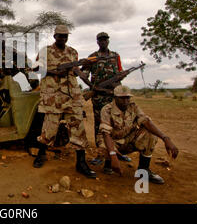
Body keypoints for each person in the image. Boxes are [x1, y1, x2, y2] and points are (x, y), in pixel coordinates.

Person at [32, 24, 96, 178]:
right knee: (49, 128)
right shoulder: (45, 51)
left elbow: (76, 72)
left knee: (78, 127)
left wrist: (84, 69)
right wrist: (54, 71)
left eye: (65, 36)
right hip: (53, 96)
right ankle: (41, 154)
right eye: (60, 35)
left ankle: (81, 162)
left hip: (71, 96)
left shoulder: (73, 52)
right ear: (55, 36)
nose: (63, 38)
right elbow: (35, 68)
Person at [98, 85, 179, 184]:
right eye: (122, 98)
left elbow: (146, 122)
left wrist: (165, 138)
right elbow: (106, 135)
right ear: (115, 98)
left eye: (127, 98)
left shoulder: (133, 106)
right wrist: (113, 155)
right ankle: (108, 163)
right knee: (104, 148)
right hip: (112, 142)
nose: (125, 101)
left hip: (128, 139)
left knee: (150, 135)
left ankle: (144, 170)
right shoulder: (107, 109)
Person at [81, 32, 131, 165]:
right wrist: (94, 87)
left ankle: (118, 152)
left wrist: (121, 76)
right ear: (97, 42)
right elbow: (83, 75)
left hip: (114, 96)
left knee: (117, 124)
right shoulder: (92, 57)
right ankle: (101, 154)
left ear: (108, 41)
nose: (103, 42)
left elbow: (120, 72)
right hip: (99, 97)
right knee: (99, 125)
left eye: (105, 39)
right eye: (100, 40)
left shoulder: (115, 56)